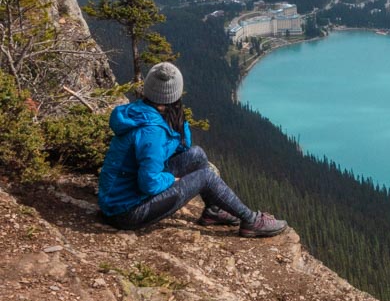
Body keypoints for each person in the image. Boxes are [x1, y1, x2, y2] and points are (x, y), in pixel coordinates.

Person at [97, 61, 287, 237]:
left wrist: (179, 120)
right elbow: (149, 184)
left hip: (122, 197)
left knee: (197, 155)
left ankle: (213, 211)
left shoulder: (143, 111)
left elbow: (184, 147)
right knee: (206, 176)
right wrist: (173, 179)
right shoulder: (151, 131)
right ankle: (251, 221)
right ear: (175, 94)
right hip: (126, 211)